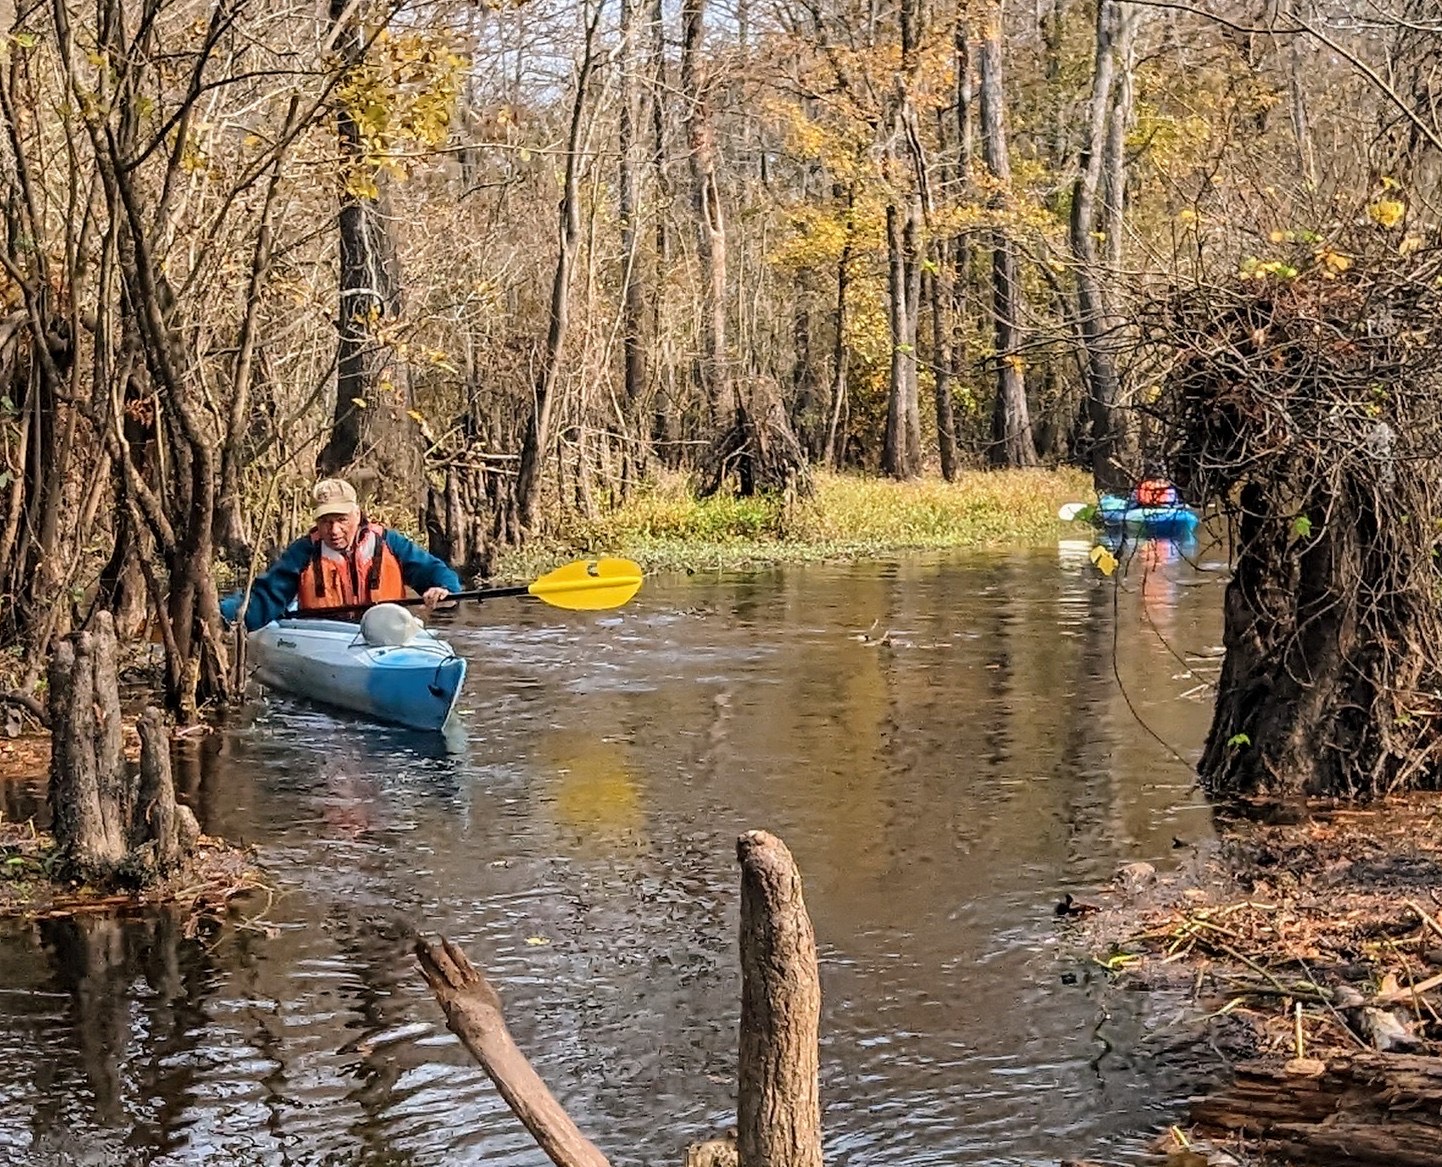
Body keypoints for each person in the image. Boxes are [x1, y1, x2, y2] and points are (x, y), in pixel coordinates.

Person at [220, 478, 461, 631]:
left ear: (357, 514)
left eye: (341, 520)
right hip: (327, 638)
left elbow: (434, 571)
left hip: (385, 634)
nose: (334, 530)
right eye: (326, 521)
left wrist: (443, 589)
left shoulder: (389, 543)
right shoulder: (303, 551)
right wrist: (220, 614)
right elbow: (264, 598)